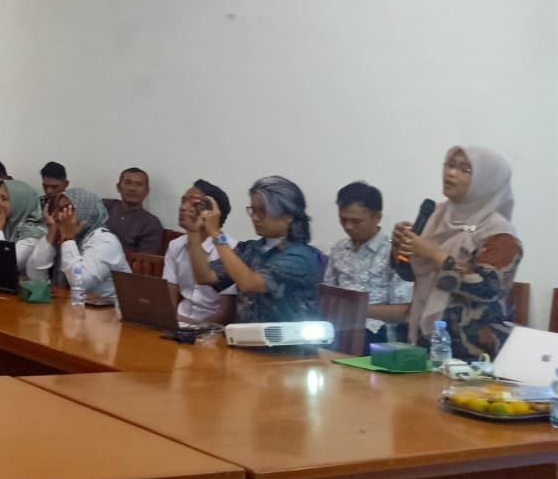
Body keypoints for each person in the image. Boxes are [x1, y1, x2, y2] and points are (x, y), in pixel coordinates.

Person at [393, 145, 521, 361]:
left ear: (487, 180)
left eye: (464, 169)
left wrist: (437, 256)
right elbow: (408, 273)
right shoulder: (435, 216)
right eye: (449, 165)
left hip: (472, 353)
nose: (451, 173)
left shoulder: (499, 232)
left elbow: (489, 288)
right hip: (424, 342)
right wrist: (400, 247)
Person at [188, 175, 323, 324]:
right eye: (253, 210)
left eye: (263, 211)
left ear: (288, 215)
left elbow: (249, 283)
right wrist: (193, 232)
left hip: (286, 338)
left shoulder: (301, 256)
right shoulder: (250, 249)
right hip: (245, 335)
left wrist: (216, 233)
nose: (255, 218)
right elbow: (205, 276)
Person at [326, 181, 413, 338]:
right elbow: (327, 297)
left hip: (378, 336)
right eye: (343, 220)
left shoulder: (395, 252)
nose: (348, 227)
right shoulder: (339, 249)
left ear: (377, 217)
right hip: (338, 330)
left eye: (356, 221)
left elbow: (406, 312)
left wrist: (356, 310)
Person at [21, 187, 131, 299]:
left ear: (86, 212)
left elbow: (80, 283)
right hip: (70, 304)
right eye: (57, 209)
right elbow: (35, 276)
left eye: (67, 210)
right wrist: (51, 234)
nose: (57, 215)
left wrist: (68, 239)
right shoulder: (61, 235)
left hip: (106, 308)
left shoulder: (105, 242)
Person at [164, 181, 236, 326]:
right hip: (179, 322)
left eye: (194, 203)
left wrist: (194, 331)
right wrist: (168, 323)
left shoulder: (230, 249)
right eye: (183, 201)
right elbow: (168, 295)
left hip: (211, 329)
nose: (183, 207)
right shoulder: (175, 245)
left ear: (213, 213)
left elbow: (225, 313)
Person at [103, 167, 165, 256]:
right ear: (119, 187)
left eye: (139, 184)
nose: (132, 188)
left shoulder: (151, 223)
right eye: (128, 183)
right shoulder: (103, 207)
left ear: (147, 191)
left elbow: (143, 260)